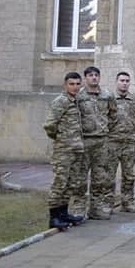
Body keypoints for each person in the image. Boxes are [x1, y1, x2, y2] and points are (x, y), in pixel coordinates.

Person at [43, 72, 86, 230]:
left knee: (71, 182)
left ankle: (63, 213)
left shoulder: (76, 101)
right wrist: (61, 138)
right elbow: (49, 125)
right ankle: (54, 217)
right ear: (65, 85)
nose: (75, 87)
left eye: (77, 84)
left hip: (76, 150)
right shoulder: (61, 101)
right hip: (63, 150)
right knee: (60, 183)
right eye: (71, 84)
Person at [74, 66, 117, 219]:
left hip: (101, 142)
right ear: (85, 78)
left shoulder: (107, 95)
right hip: (84, 140)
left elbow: (113, 115)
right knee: (80, 177)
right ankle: (79, 208)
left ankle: (96, 208)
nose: (94, 78)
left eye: (96, 75)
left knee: (100, 177)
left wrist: (105, 129)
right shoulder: (78, 96)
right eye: (91, 75)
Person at [109, 71, 135, 213]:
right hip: (112, 142)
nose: (124, 83)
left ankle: (127, 202)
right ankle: (108, 203)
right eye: (122, 80)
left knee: (129, 174)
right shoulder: (109, 99)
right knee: (109, 174)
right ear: (116, 82)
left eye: (127, 81)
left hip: (129, 142)